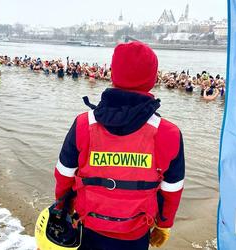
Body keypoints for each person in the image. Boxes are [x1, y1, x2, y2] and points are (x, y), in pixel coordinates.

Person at [54, 41, 185, 250]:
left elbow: (64, 175)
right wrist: (164, 225)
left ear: (113, 75)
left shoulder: (83, 124)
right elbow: (172, 190)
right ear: (152, 79)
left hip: (87, 227)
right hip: (136, 234)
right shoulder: (168, 133)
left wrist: (62, 210)